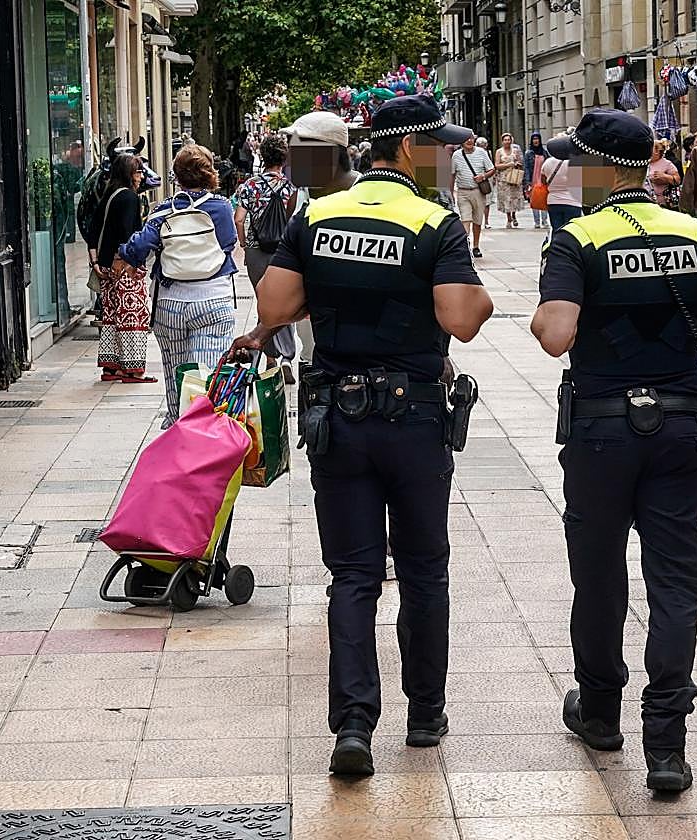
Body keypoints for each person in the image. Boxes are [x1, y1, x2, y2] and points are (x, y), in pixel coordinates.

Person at [228, 94, 493, 776]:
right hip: (414, 420)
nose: (448, 158)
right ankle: (425, 713)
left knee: (352, 575)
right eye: (439, 147)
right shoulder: (434, 221)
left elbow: (274, 305)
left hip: (339, 417)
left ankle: (352, 725)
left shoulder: (317, 215)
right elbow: (462, 320)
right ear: (408, 150)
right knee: (424, 568)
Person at [531, 109, 697, 793]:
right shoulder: (696, 233)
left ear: (602, 169)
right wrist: (683, 329)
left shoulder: (577, 238)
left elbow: (555, 335)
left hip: (603, 430)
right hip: (680, 428)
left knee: (599, 574)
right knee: (675, 581)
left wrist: (565, 313)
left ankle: (601, 712)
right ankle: (666, 744)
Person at [118, 144, 239, 426]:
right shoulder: (221, 207)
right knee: (206, 377)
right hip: (213, 302)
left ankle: (177, 424)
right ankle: (204, 432)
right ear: (209, 173)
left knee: (176, 373)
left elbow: (138, 248)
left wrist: (123, 253)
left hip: (170, 305)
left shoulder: (164, 210)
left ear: (177, 176)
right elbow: (228, 243)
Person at [282, 110, 362, 368]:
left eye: (297, 154)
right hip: (311, 325)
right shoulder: (298, 198)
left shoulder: (368, 195)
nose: (289, 163)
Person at [235, 133, 300, 372]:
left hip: (256, 251)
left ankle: (270, 358)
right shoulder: (292, 185)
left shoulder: (250, 185)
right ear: (284, 158)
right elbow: (295, 219)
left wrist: (244, 244)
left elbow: (239, 219)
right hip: (284, 251)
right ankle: (287, 357)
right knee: (287, 302)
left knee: (265, 303)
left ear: (262, 156)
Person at [88, 153, 155, 384]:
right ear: (129, 174)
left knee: (111, 314)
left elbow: (92, 230)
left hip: (106, 266)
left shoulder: (109, 195)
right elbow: (129, 235)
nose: (141, 176)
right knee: (133, 314)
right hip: (125, 266)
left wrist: (95, 262)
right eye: (138, 172)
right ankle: (132, 370)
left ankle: (111, 367)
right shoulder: (129, 197)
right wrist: (132, 262)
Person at [451, 135, 495, 258]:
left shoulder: (481, 152)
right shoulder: (456, 155)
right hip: (463, 192)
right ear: (461, 141)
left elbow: (492, 169)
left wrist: (483, 176)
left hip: (478, 192)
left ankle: (476, 246)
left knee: (477, 221)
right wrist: (451, 192)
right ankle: (465, 247)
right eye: (466, 139)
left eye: (471, 138)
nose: (469, 141)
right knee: (465, 219)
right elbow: (452, 174)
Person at [540, 146, 582, 231]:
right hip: (573, 201)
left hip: (553, 202)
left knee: (557, 230)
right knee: (572, 232)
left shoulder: (547, 162)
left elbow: (543, 181)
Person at [494, 133, 525, 228]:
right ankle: (508, 218)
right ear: (502, 141)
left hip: (514, 177)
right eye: (505, 140)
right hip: (503, 179)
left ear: (511, 141)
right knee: (506, 198)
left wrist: (517, 164)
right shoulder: (499, 152)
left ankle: (514, 215)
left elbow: (521, 162)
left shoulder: (515, 151)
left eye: (509, 140)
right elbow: (497, 165)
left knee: (514, 198)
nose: (507, 141)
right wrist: (508, 165)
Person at [523, 132, 550, 228]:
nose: (536, 141)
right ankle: (537, 221)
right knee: (534, 201)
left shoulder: (545, 152)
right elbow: (526, 168)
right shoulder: (528, 153)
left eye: (537, 139)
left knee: (543, 200)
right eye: (534, 139)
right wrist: (527, 182)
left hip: (543, 180)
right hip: (533, 180)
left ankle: (544, 221)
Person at [645, 139, 681, 206]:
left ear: (656, 151)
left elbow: (678, 180)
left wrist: (664, 176)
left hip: (662, 203)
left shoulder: (667, 164)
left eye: (650, 148)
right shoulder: (645, 162)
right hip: (647, 202)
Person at [476, 136, 495, 229]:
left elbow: (492, 167)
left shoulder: (488, 153)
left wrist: (493, 177)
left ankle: (486, 221)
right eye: (480, 145)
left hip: (487, 179)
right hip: (477, 178)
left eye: (484, 145)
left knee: (487, 202)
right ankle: (478, 221)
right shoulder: (474, 154)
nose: (483, 147)